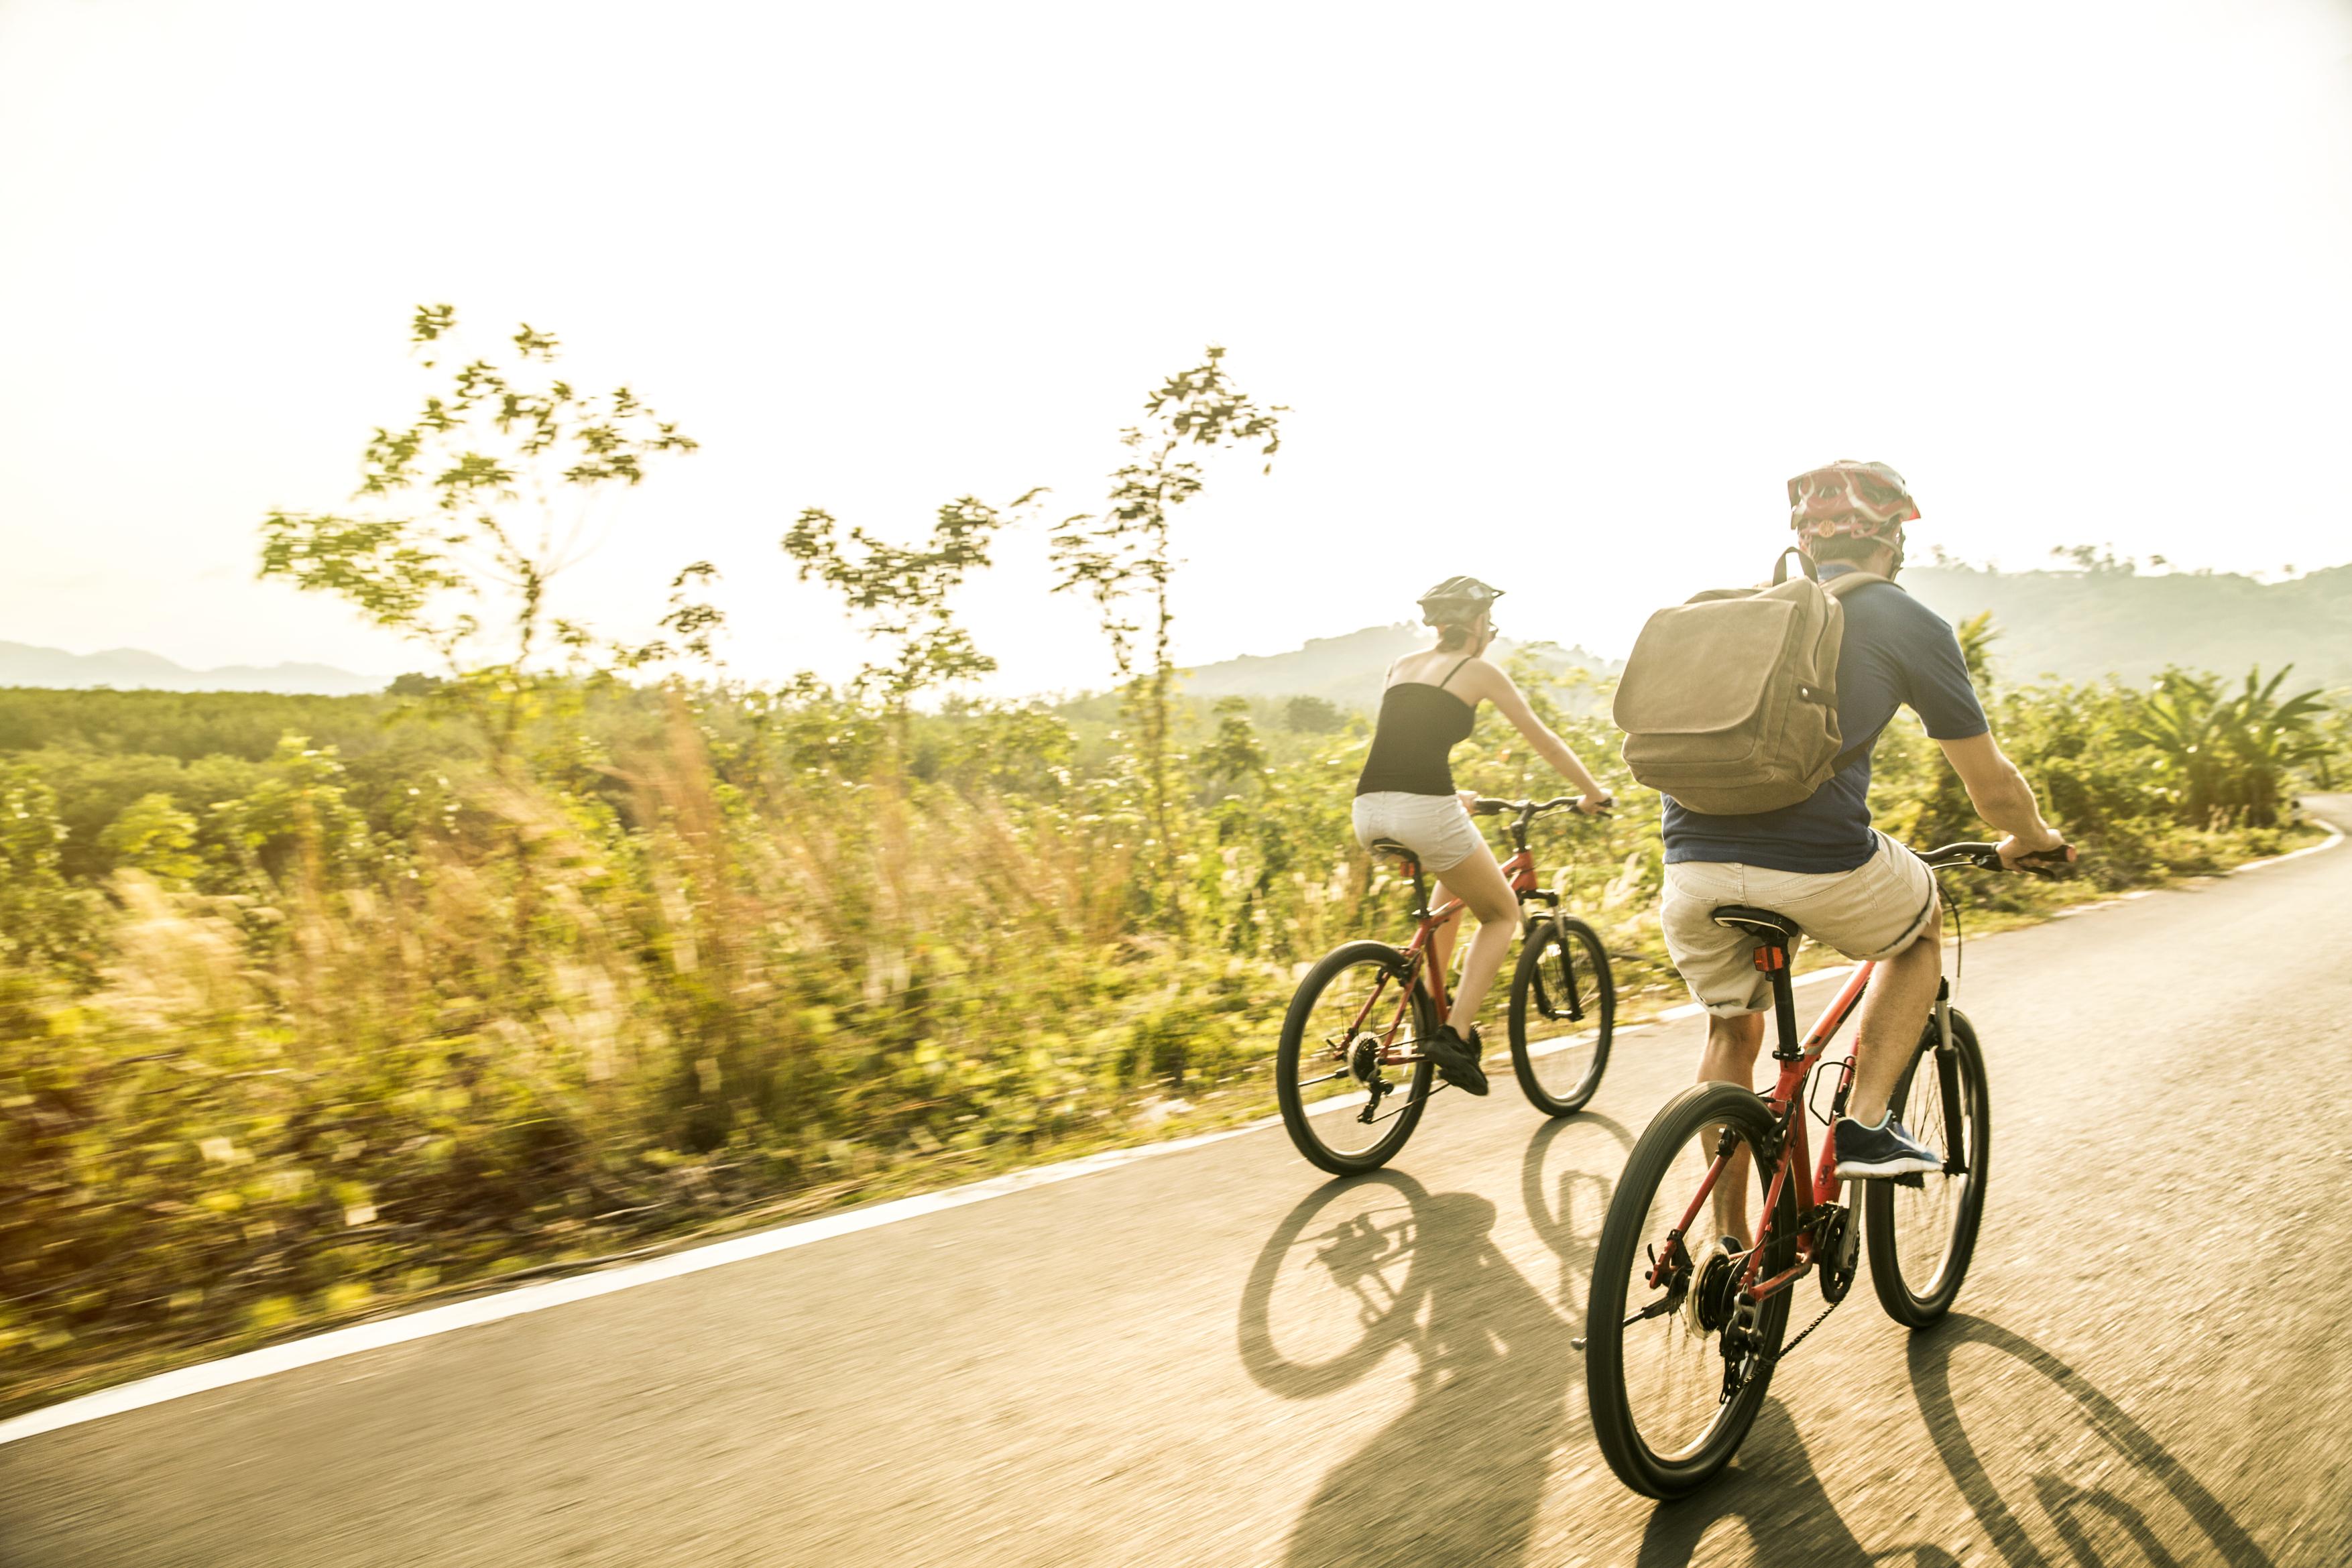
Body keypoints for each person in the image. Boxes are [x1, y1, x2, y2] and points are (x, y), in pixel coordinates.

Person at [1659, 461, 2073, 1252]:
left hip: (1690, 865)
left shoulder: (1743, 611)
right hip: (1818, 861)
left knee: (1732, 1032)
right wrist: (2033, 840)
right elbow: (1990, 786)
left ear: (1803, 542)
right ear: (1892, 540)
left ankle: (1729, 1240)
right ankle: (1866, 1125)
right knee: (1917, 929)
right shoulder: (1902, 618)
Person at [1354, 575, 1612, 1095]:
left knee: (1451, 886)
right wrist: (1591, 790)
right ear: (1475, 624)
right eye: (1487, 621)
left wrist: (1456, 798)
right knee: (1502, 912)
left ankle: (1427, 1009)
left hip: (1368, 808)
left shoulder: (1401, 667)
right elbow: (1544, 740)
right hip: (1423, 808)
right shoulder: (1479, 671)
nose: (1490, 630)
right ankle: (1454, 1033)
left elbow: (1409, 744)